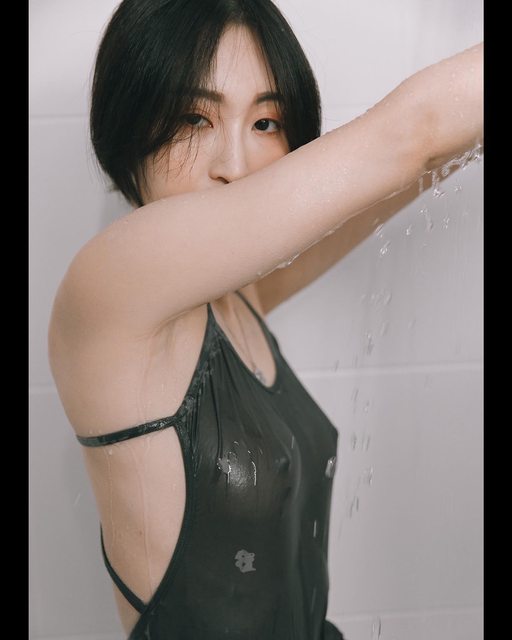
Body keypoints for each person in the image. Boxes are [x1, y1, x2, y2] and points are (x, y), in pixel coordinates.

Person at [47, 0, 483, 638]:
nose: (236, 166)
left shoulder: (237, 295)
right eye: (193, 117)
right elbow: (412, 136)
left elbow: (412, 169)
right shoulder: (111, 286)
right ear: (128, 117)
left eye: (266, 122)